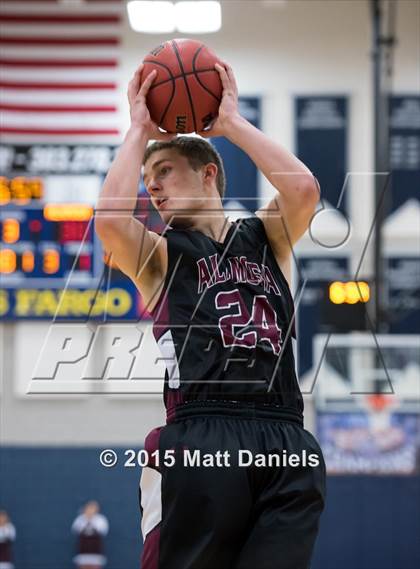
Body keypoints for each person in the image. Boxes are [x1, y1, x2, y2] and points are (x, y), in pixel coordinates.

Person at [96, 61, 326, 569]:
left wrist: (230, 124)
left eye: (164, 171)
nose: (152, 188)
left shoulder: (267, 237)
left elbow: (305, 191)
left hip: (285, 437)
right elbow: (111, 224)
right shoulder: (159, 254)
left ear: (208, 173)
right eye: (147, 177)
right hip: (200, 435)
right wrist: (137, 130)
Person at [71, 501, 109, 569]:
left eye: (93, 509)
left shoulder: (101, 519)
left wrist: (91, 521)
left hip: (95, 551)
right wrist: (86, 520)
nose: (90, 510)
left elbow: (103, 531)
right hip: (83, 551)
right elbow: (75, 530)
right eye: (89, 508)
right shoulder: (80, 519)